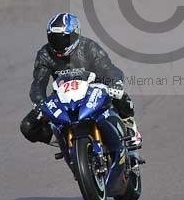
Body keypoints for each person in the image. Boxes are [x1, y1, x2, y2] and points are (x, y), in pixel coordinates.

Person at [20, 12, 142, 148]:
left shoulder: (89, 47)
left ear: (75, 34)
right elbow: (38, 82)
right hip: (64, 95)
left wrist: (116, 83)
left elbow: (108, 68)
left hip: (92, 89)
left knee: (121, 96)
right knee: (28, 126)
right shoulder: (45, 54)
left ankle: (129, 125)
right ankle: (62, 141)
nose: (58, 44)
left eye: (63, 39)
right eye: (53, 39)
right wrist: (39, 101)